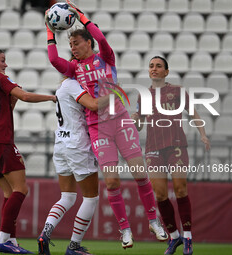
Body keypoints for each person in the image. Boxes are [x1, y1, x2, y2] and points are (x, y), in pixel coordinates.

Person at [45, 0, 168, 249]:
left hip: (120, 120)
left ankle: (154, 221)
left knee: (139, 174)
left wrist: (80, 15)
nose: (73, 48)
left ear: (88, 42)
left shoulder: (106, 58)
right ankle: (124, 230)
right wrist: (49, 28)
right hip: (97, 127)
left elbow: (101, 38)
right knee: (112, 182)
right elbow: (53, 59)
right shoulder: (73, 69)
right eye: (70, 44)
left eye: (76, 43)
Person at [0, 47, 56, 254]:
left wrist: (13, 97)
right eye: (2, 60)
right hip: (1, 140)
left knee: (9, 193)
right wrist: (52, 98)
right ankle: (3, 241)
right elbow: (25, 96)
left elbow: (6, 107)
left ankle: (11, 240)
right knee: (21, 189)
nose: (5, 64)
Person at [132, 56, 211, 255]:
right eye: (151, 66)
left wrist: (203, 134)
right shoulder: (144, 96)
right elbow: (140, 123)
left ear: (166, 71)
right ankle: (174, 237)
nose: (154, 69)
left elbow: (193, 112)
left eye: (159, 66)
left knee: (180, 189)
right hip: (153, 148)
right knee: (160, 194)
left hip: (176, 147)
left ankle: (188, 237)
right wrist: (135, 119)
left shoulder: (177, 91)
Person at [37, 77, 110, 255]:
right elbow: (92, 105)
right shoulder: (72, 84)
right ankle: (74, 246)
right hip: (76, 144)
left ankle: (44, 235)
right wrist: (113, 95)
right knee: (90, 198)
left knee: (67, 197)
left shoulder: (62, 85)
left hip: (61, 143)